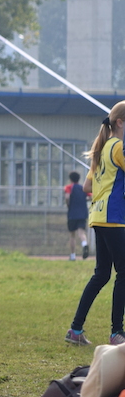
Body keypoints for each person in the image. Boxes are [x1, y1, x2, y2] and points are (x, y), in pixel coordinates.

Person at [67, 104, 125, 345]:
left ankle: (75, 330)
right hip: (114, 218)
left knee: (101, 274)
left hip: (99, 217)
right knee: (123, 273)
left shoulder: (101, 149)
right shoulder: (118, 147)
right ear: (120, 122)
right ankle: (116, 332)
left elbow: (87, 186)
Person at [66, 170, 89, 261]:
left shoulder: (69, 187)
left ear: (70, 179)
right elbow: (90, 196)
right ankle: (84, 244)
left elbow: (67, 197)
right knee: (81, 232)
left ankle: (72, 256)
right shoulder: (83, 187)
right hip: (83, 213)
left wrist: (68, 204)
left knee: (72, 235)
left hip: (72, 214)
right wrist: (83, 200)